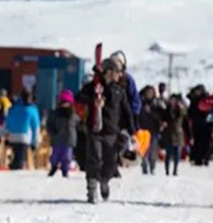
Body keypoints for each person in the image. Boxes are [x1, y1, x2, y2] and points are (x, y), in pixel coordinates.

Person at [76, 59, 136, 203]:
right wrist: (93, 101)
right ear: (109, 71)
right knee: (94, 158)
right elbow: (78, 97)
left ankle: (104, 180)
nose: (120, 74)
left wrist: (132, 131)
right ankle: (92, 188)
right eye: (117, 71)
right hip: (95, 129)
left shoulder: (119, 90)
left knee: (111, 162)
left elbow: (127, 112)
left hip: (112, 132)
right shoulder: (93, 86)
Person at [3, 90, 40, 170]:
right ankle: (18, 166)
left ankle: (14, 164)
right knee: (21, 155)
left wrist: (3, 135)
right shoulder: (32, 110)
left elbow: (6, 123)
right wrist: (35, 142)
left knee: (17, 152)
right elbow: (35, 127)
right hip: (25, 136)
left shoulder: (13, 108)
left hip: (12, 136)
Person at [46, 89, 78, 178]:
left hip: (69, 139)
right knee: (55, 155)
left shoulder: (73, 114)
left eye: (67, 102)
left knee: (67, 156)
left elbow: (78, 124)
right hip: (57, 138)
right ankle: (54, 167)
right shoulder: (55, 113)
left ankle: (65, 169)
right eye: (63, 102)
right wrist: (52, 132)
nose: (65, 104)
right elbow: (49, 124)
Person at [160, 94, 189, 176]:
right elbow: (163, 119)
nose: (173, 102)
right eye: (171, 100)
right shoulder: (166, 110)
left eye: (174, 100)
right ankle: (167, 170)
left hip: (178, 133)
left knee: (177, 154)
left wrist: (190, 136)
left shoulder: (181, 110)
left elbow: (185, 123)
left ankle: (175, 170)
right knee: (168, 154)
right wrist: (163, 124)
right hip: (169, 133)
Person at [138, 85, 163, 175]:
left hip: (153, 130)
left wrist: (151, 112)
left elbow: (161, 115)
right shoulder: (140, 103)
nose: (149, 94)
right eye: (148, 92)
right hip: (143, 130)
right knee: (143, 150)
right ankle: (144, 167)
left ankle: (152, 167)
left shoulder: (156, 104)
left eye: (151, 93)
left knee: (153, 150)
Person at [109, 51, 141, 119]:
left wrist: (131, 116)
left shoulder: (127, 79)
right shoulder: (107, 78)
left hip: (124, 114)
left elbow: (135, 100)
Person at [187, 85, 212, 166]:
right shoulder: (193, 100)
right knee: (197, 142)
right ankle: (196, 158)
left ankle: (205, 158)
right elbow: (190, 112)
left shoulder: (206, 99)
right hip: (196, 124)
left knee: (206, 142)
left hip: (206, 124)